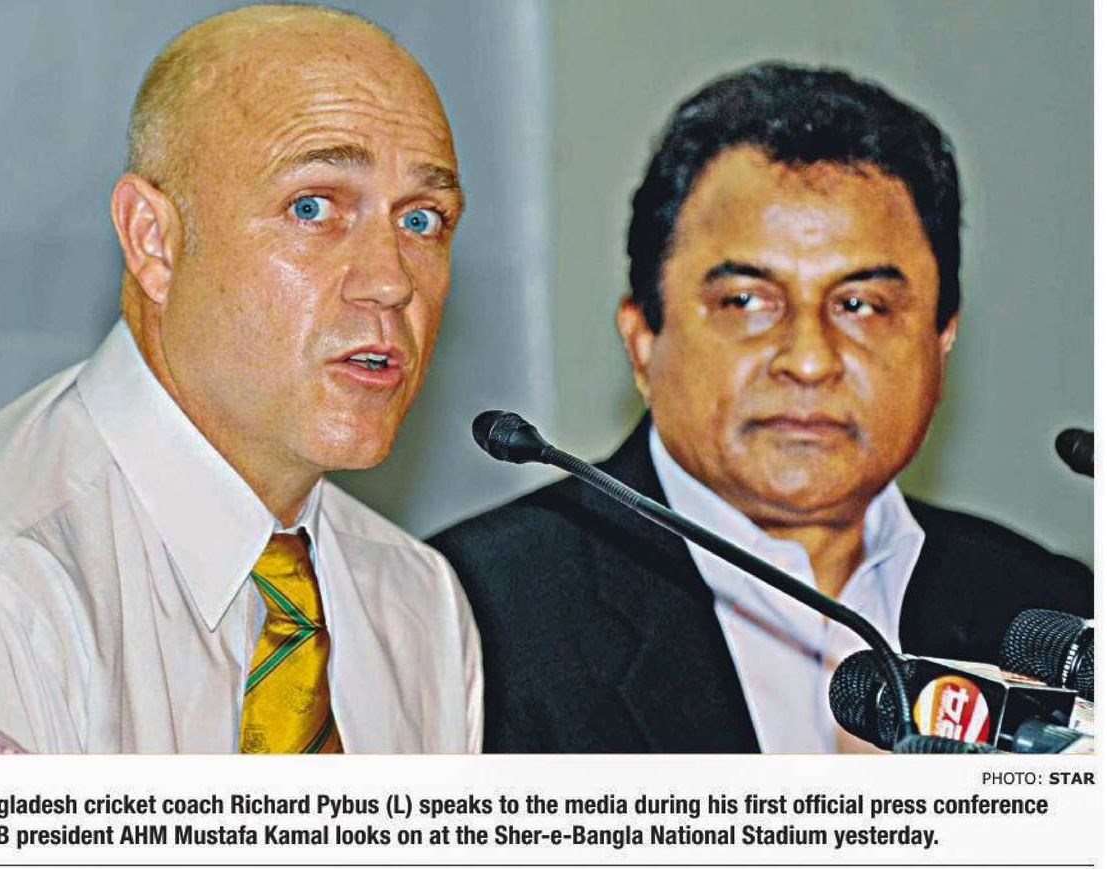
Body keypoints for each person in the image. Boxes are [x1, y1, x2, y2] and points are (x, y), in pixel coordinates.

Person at [430, 63, 1091, 753]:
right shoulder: (471, 612)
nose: (808, 360)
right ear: (641, 340)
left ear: (941, 341)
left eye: (862, 305)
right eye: (746, 301)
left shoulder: (1050, 614)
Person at [0, 4, 481, 754]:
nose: (390, 281)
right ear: (154, 240)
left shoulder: (417, 600)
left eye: (422, 220)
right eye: (312, 207)